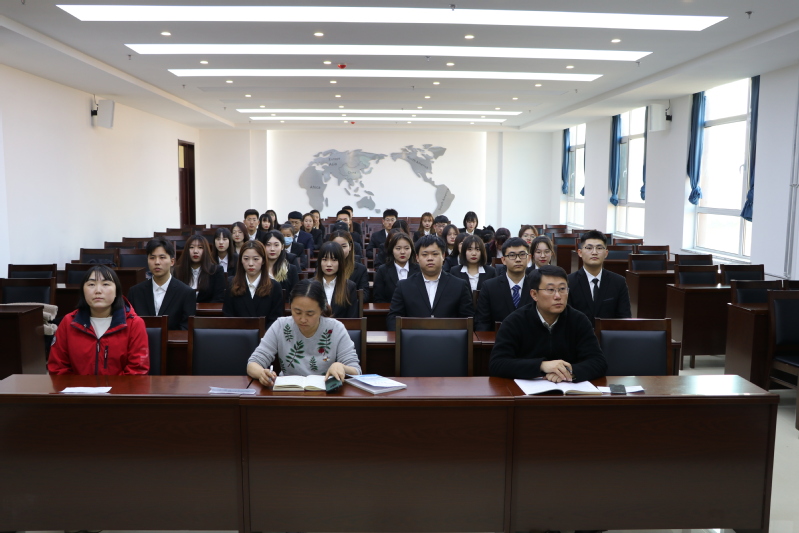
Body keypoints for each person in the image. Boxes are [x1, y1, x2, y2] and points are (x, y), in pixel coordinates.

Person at [489, 265, 607, 383]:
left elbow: (598, 362)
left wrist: (568, 371)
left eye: (562, 289)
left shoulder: (579, 320)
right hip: (525, 391)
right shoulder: (515, 321)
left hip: (568, 390)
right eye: (550, 290)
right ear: (534, 294)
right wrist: (541, 365)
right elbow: (497, 364)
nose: (558, 296)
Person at [246, 279, 362, 386]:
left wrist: (341, 367)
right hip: (289, 391)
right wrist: (261, 373)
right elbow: (253, 364)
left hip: (325, 393)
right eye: (297, 312)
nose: (302, 319)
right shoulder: (280, 326)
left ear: (322, 309)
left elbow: (356, 371)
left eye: (310, 314)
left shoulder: (336, 328)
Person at [48, 265, 149, 375]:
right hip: (77, 386)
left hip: (121, 387)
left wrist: (111, 386)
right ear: (83, 291)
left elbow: (137, 370)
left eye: (105, 284)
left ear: (117, 291)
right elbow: (58, 368)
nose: (98, 291)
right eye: (91, 284)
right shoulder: (69, 323)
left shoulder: (134, 324)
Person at [386, 234, 474, 331]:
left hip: (449, 338)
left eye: (435, 254)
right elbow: (393, 319)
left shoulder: (459, 285)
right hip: (414, 338)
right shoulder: (404, 286)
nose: (430, 258)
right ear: (417, 258)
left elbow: (468, 319)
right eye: (424, 254)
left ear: (443, 256)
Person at [128, 238, 196, 330]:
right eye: (152, 258)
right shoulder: (135, 292)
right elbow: (130, 325)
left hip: (172, 339)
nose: (157, 262)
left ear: (172, 261)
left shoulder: (186, 293)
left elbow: (186, 329)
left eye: (162, 257)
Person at [567, 230, 632, 325]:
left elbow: (624, 318)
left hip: (609, 333)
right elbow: (566, 318)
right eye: (589, 248)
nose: (594, 252)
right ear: (580, 252)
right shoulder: (569, 282)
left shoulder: (619, 282)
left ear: (606, 253)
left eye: (599, 248)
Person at [474, 237, 534, 331]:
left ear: (529, 258)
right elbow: (482, 322)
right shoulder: (489, 287)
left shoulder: (537, 286)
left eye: (522, 255)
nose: (518, 259)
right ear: (503, 260)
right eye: (512, 255)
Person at [223, 240, 284, 330]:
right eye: (246, 259)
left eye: (256, 259)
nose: (250, 264)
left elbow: (275, 320)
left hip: (266, 336)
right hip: (238, 335)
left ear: (263, 260)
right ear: (241, 260)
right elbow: (228, 317)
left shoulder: (274, 286)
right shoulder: (231, 284)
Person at [174, 234, 226, 303]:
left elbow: (219, 299)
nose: (195, 251)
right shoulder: (178, 271)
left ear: (206, 250)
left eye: (200, 247)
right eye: (191, 247)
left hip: (208, 309)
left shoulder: (216, 270)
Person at [314, 241, 358, 318]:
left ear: (341, 262)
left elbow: (352, 318)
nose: (329, 264)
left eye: (334, 260)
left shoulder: (350, 286)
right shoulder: (310, 285)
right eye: (325, 259)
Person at [373, 231, 419, 304]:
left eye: (406, 248)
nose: (402, 252)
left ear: (412, 250)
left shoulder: (419, 270)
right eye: (398, 248)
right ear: (392, 250)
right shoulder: (383, 270)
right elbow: (378, 298)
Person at [329, 229, 370, 297]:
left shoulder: (361, 269)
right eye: (336, 246)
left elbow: (364, 295)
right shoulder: (322, 266)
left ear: (350, 247)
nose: (340, 250)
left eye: (344, 246)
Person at [263, 229, 300, 293]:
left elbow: (295, 294)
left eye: (276, 245)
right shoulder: (258, 268)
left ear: (282, 247)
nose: (272, 249)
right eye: (268, 245)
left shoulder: (291, 269)